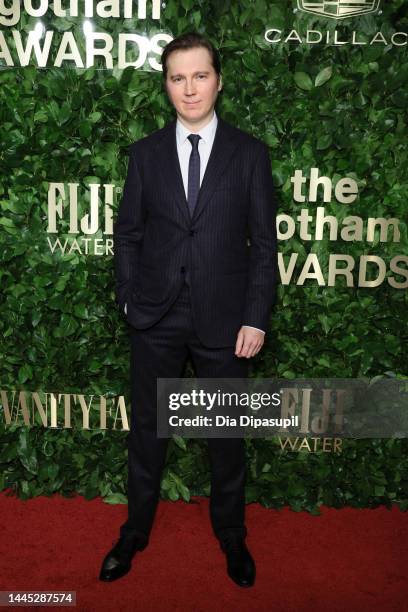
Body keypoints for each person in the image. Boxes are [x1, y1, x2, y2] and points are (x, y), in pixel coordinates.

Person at [99, 32, 277, 588]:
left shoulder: (249, 154)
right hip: (154, 316)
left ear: (218, 81)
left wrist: (255, 315)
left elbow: (264, 246)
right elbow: (127, 235)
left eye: (200, 75)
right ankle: (135, 531)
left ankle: (231, 534)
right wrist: (129, 297)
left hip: (225, 322)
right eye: (178, 78)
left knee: (225, 433)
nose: (190, 88)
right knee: (148, 431)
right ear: (166, 86)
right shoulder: (146, 154)